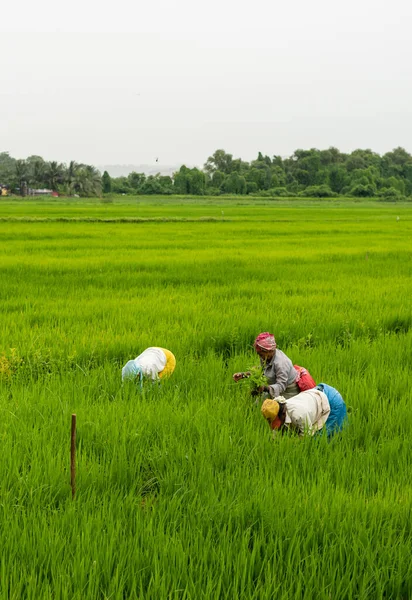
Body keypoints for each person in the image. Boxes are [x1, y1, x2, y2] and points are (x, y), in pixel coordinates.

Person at [261, 382, 347, 437]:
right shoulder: (278, 407)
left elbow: (306, 437)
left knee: (321, 439)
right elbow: (278, 431)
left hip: (331, 400)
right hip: (315, 394)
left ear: (281, 415)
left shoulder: (298, 414)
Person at [233, 332, 300, 399]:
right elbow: (261, 371)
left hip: (287, 392)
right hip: (272, 388)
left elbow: (281, 386)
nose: (260, 356)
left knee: (273, 408)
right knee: (256, 405)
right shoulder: (266, 357)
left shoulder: (281, 363)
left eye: (261, 354)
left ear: (269, 351)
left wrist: (265, 388)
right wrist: (243, 375)